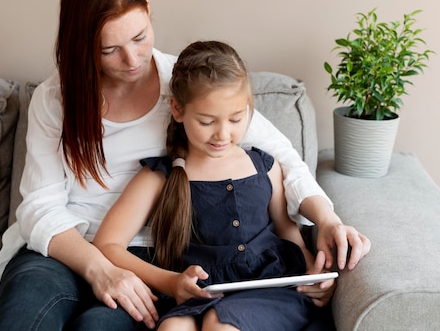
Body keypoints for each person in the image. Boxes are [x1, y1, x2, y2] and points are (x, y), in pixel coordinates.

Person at [0, 0, 370, 331]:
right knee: (24, 316)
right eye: (108, 50)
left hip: (148, 258)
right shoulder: (55, 100)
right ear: (82, 45)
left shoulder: (187, 87)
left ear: (149, 11)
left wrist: (327, 220)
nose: (132, 59)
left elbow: (281, 159)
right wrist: (100, 268)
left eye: (139, 37)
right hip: (63, 250)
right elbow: (40, 208)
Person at [94, 40, 337, 330]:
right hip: (199, 290)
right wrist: (171, 282)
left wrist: (312, 273)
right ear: (177, 109)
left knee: (219, 325)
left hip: (268, 287)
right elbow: (107, 244)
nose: (223, 134)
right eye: (207, 121)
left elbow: (286, 229)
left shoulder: (264, 167)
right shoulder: (161, 176)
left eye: (236, 118)